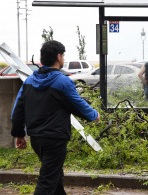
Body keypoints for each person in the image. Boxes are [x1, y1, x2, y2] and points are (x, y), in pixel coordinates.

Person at [11, 40, 100, 195]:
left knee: (54, 175)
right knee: (47, 180)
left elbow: (17, 111)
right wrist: (94, 115)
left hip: (37, 139)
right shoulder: (62, 82)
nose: (63, 59)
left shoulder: (29, 82)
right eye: (63, 56)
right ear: (59, 57)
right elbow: (77, 104)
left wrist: (19, 134)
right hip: (55, 139)